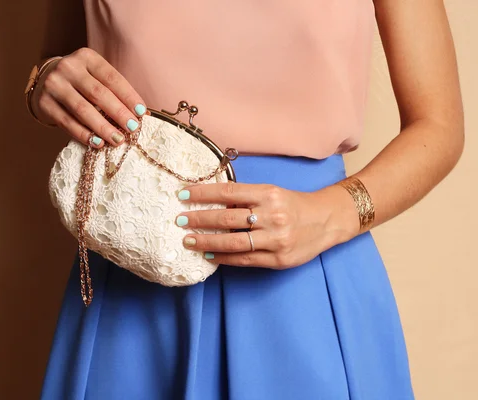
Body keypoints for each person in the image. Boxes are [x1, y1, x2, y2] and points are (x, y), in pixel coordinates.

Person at [25, 1, 464, 399]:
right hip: (132, 271)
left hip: (305, 278)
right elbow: (56, 60)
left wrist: (331, 215)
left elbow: (438, 124)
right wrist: (46, 81)